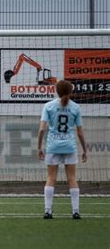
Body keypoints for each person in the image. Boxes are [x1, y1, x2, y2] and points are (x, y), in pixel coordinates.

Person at [37, 80, 87, 219]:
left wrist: (39, 147)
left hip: (53, 146)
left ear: (56, 91)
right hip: (69, 146)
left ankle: (48, 211)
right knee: (72, 178)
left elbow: (41, 129)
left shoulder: (48, 106)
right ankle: (75, 211)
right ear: (71, 92)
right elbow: (80, 132)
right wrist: (84, 150)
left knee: (51, 178)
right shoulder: (76, 107)